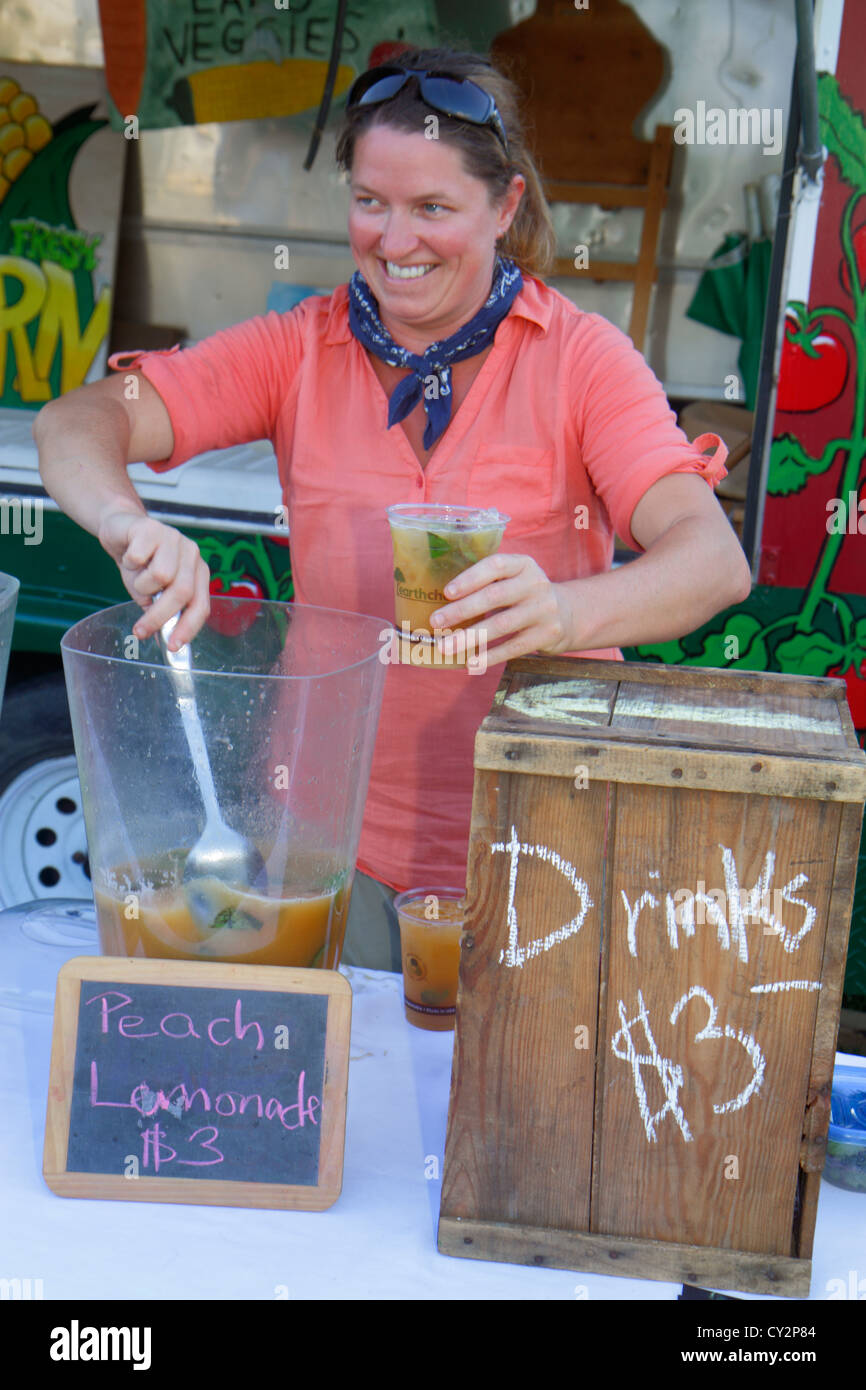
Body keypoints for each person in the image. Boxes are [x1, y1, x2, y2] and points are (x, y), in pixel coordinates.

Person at [35, 48, 751, 972]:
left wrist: (568, 611)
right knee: (342, 1097)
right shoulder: (301, 347)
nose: (393, 239)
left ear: (507, 206)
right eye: (370, 201)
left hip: (544, 841)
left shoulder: (582, 359)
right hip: (331, 843)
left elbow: (711, 560)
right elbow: (78, 420)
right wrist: (124, 520)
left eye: (433, 209)